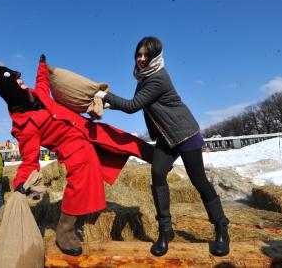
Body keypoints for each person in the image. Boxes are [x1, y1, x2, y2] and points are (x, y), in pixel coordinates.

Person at [0, 55, 153, 256]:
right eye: (16, 80)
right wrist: (21, 185)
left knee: (121, 139)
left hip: (84, 127)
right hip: (72, 147)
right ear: (9, 89)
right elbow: (29, 160)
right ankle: (64, 229)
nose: (21, 81)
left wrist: (42, 67)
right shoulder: (24, 127)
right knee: (84, 176)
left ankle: (160, 156)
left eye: (20, 78)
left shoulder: (37, 94)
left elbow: (42, 82)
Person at [96, 36, 230, 257]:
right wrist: (111, 105)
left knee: (199, 181)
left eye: (146, 55)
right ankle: (166, 230)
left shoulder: (157, 77)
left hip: (185, 133)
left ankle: (221, 228)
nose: (141, 58)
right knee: (157, 174)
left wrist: (104, 95)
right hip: (166, 137)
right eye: (138, 54)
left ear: (155, 56)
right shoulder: (142, 78)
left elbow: (133, 106)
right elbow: (137, 105)